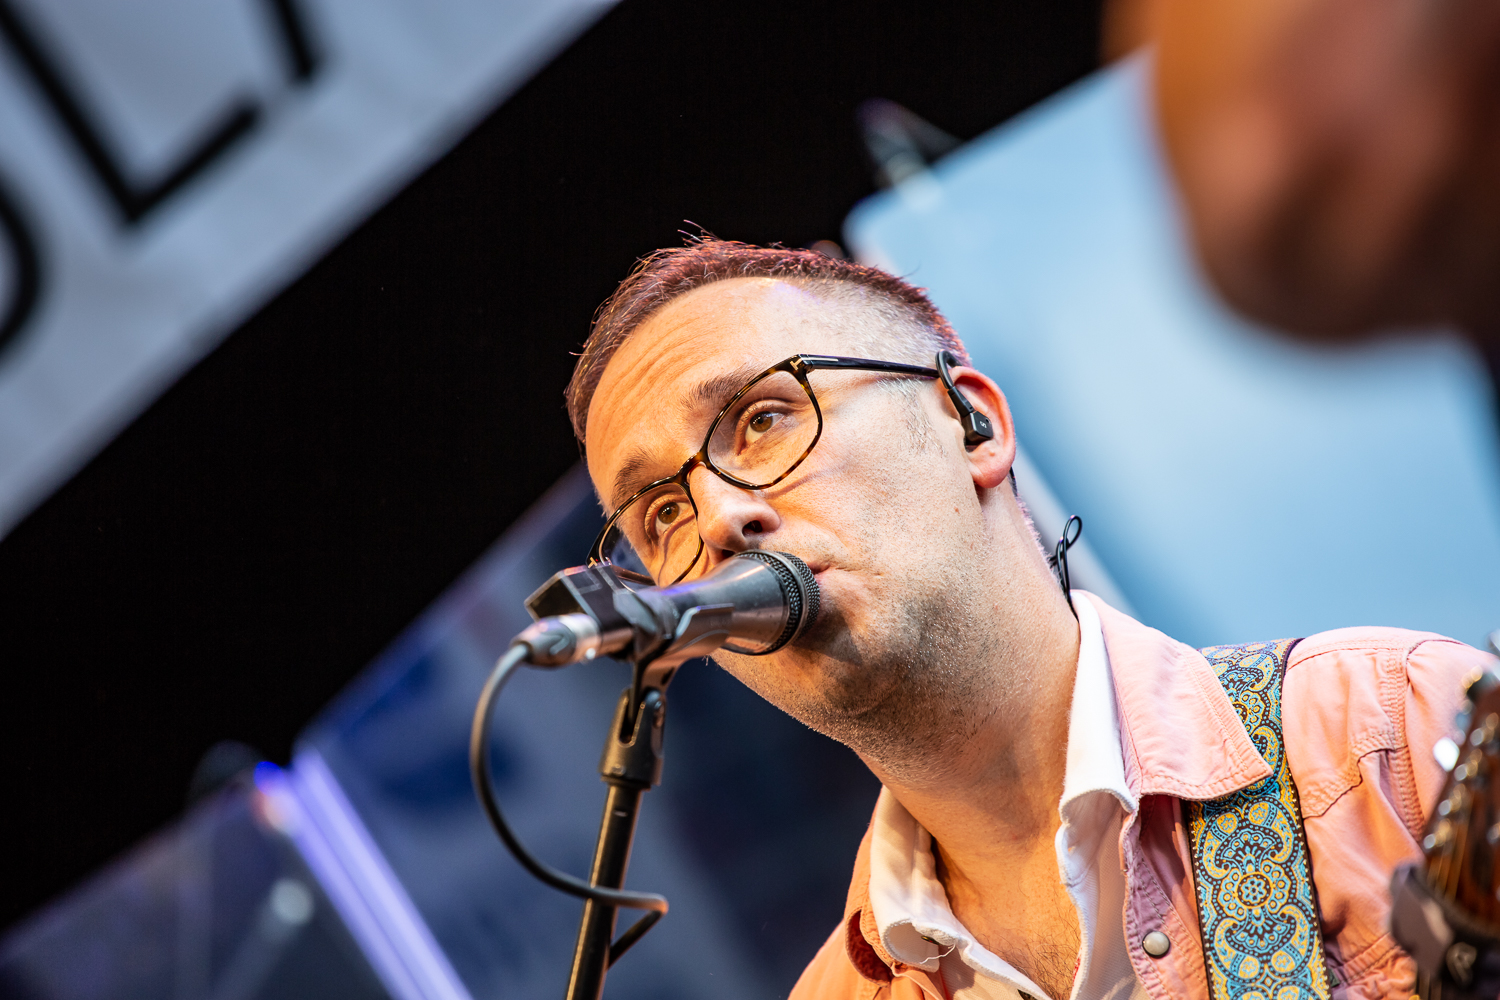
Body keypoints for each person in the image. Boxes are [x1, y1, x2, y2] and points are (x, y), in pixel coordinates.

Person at [565, 238, 1493, 1000]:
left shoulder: (1391, 729)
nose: (719, 520)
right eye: (663, 514)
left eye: (763, 418)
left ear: (971, 423)